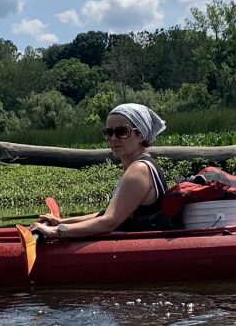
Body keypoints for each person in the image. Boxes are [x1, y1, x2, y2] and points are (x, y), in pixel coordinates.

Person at [34, 103, 170, 241]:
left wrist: (57, 231)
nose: (113, 139)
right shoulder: (138, 166)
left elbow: (109, 222)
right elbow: (105, 214)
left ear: (141, 135)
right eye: (109, 133)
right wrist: (61, 222)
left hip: (145, 249)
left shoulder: (139, 169)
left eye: (122, 132)